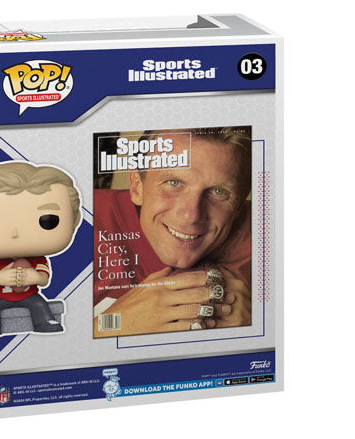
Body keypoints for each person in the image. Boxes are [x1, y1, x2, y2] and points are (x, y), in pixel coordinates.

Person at [93, 128, 252, 337]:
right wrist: (110, 326)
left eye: (218, 192)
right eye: (174, 183)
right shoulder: (76, 219)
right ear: (137, 186)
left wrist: (255, 322)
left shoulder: (268, 240)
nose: (191, 215)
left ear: (238, 205)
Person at [0, 162, 81, 337]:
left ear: (74, 221)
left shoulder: (37, 260)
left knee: (39, 304)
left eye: (48, 220)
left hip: (29, 295)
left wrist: (35, 277)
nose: (15, 233)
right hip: (0, 297)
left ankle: (44, 322)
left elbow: (44, 279)